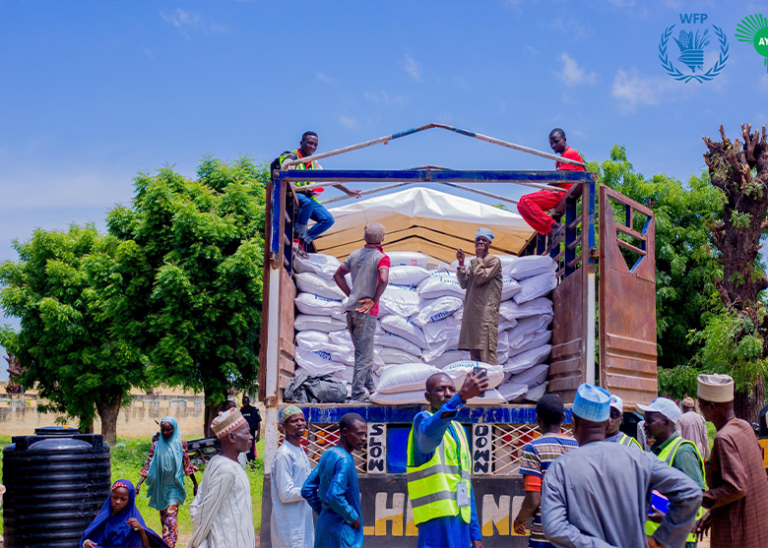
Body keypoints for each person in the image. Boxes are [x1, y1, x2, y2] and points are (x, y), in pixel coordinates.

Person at [541, 383, 702, 548]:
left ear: (573, 424)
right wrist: (661, 539)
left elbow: (554, 528)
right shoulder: (640, 459)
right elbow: (691, 493)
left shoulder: (560, 468)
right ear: (606, 423)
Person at [407, 371, 488, 548]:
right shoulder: (422, 421)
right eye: (440, 390)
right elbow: (429, 436)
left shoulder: (459, 429)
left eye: (452, 389)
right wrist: (459, 398)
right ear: (428, 397)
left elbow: (465, 483)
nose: (448, 394)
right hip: (435, 522)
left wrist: (475, 534)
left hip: (461, 521)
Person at [693, 374, 768, 548]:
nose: (700, 409)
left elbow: (737, 487)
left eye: (701, 404)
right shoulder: (744, 427)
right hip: (755, 533)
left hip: (736, 537)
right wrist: (713, 514)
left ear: (712, 407)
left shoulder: (723, 439)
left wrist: (699, 497)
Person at [333, 223, 390, 401]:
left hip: (351, 312)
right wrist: (373, 299)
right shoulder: (381, 257)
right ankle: (357, 394)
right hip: (366, 312)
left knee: (363, 352)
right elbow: (384, 278)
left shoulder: (354, 255)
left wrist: (352, 296)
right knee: (364, 356)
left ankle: (371, 387)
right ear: (382, 238)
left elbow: (337, 275)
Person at [639, 397, 706, 548]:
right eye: (645, 420)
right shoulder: (655, 451)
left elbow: (696, 496)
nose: (645, 425)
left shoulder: (683, 452)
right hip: (659, 538)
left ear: (666, 422)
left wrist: (669, 519)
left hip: (678, 539)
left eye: (650, 420)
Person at [279, 132, 361, 255]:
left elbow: (327, 178)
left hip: (306, 196)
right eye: (309, 143)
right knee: (308, 202)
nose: (312, 147)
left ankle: (303, 240)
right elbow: (283, 175)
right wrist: (301, 190)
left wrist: (348, 191)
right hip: (292, 193)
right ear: (301, 143)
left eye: (315, 145)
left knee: (328, 219)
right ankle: (296, 238)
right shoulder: (293, 157)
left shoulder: (313, 162)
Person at [513, 394, 578, 547]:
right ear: (563, 417)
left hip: (544, 537)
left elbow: (534, 499)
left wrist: (519, 520)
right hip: (573, 536)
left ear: (538, 419)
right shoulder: (577, 446)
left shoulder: (533, 448)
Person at [189, 408, 255, 548]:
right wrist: (199, 543)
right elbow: (203, 511)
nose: (251, 437)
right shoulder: (226, 471)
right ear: (231, 437)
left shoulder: (220, 463)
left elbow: (198, 503)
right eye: (247, 433)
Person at [302, 413, 367, 548]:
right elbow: (334, 495)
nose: (364, 439)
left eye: (364, 435)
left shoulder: (328, 454)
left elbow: (307, 489)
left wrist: (325, 512)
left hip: (324, 527)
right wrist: (352, 516)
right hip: (341, 530)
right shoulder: (345, 460)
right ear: (345, 433)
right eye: (359, 434)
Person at [136, 417, 198, 548]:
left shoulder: (181, 445)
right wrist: (139, 484)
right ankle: (166, 543)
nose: (165, 433)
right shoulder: (156, 446)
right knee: (165, 520)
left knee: (171, 518)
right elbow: (149, 465)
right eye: (163, 430)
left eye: (168, 430)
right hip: (160, 488)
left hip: (174, 487)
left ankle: (169, 545)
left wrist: (195, 484)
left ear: (174, 430)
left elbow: (187, 464)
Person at [517, 129, 586, 246]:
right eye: (551, 143)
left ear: (564, 140)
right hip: (559, 191)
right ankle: (550, 230)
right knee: (521, 206)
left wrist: (543, 189)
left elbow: (560, 179)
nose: (553, 145)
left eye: (556, 141)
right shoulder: (559, 161)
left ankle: (554, 226)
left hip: (564, 192)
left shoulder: (570, 153)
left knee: (525, 200)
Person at [456, 228, 503, 365]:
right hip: (473, 317)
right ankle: (481, 386)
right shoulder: (475, 263)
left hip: (486, 317)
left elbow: (482, 277)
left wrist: (477, 259)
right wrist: (461, 265)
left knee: (487, 354)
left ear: (490, 244)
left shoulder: (494, 261)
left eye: (484, 240)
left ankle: (493, 386)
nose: (481, 242)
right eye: (478, 240)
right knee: (475, 358)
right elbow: (464, 283)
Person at [271, 406, 314, 548]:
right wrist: (312, 491)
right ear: (284, 426)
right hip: (289, 529)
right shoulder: (284, 455)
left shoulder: (300, 450)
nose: (300, 423)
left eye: (302, 420)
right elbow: (286, 494)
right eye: (295, 421)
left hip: (302, 524)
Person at [81, 479, 169, 548]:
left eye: (123, 499)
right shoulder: (106, 518)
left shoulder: (134, 521)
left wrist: (141, 529)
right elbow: (98, 541)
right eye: (115, 497)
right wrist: (87, 543)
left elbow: (145, 546)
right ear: (110, 497)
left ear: (130, 500)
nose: (118, 502)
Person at [677, 396, 711, 461]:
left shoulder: (680, 419)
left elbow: (678, 438)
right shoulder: (701, 418)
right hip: (700, 454)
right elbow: (705, 437)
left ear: (684, 407)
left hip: (686, 454)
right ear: (693, 407)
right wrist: (707, 454)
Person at [222, 400, 249, 469]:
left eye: (235, 407)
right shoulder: (223, 421)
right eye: (232, 407)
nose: (234, 409)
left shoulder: (238, 418)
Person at [240, 395, 262, 462]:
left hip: (251, 432)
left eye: (246, 402)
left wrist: (258, 434)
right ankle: (246, 462)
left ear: (249, 402)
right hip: (243, 433)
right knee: (244, 448)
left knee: (251, 448)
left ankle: (252, 463)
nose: (244, 404)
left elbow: (258, 422)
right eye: (243, 402)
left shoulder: (254, 410)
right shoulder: (241, 411)